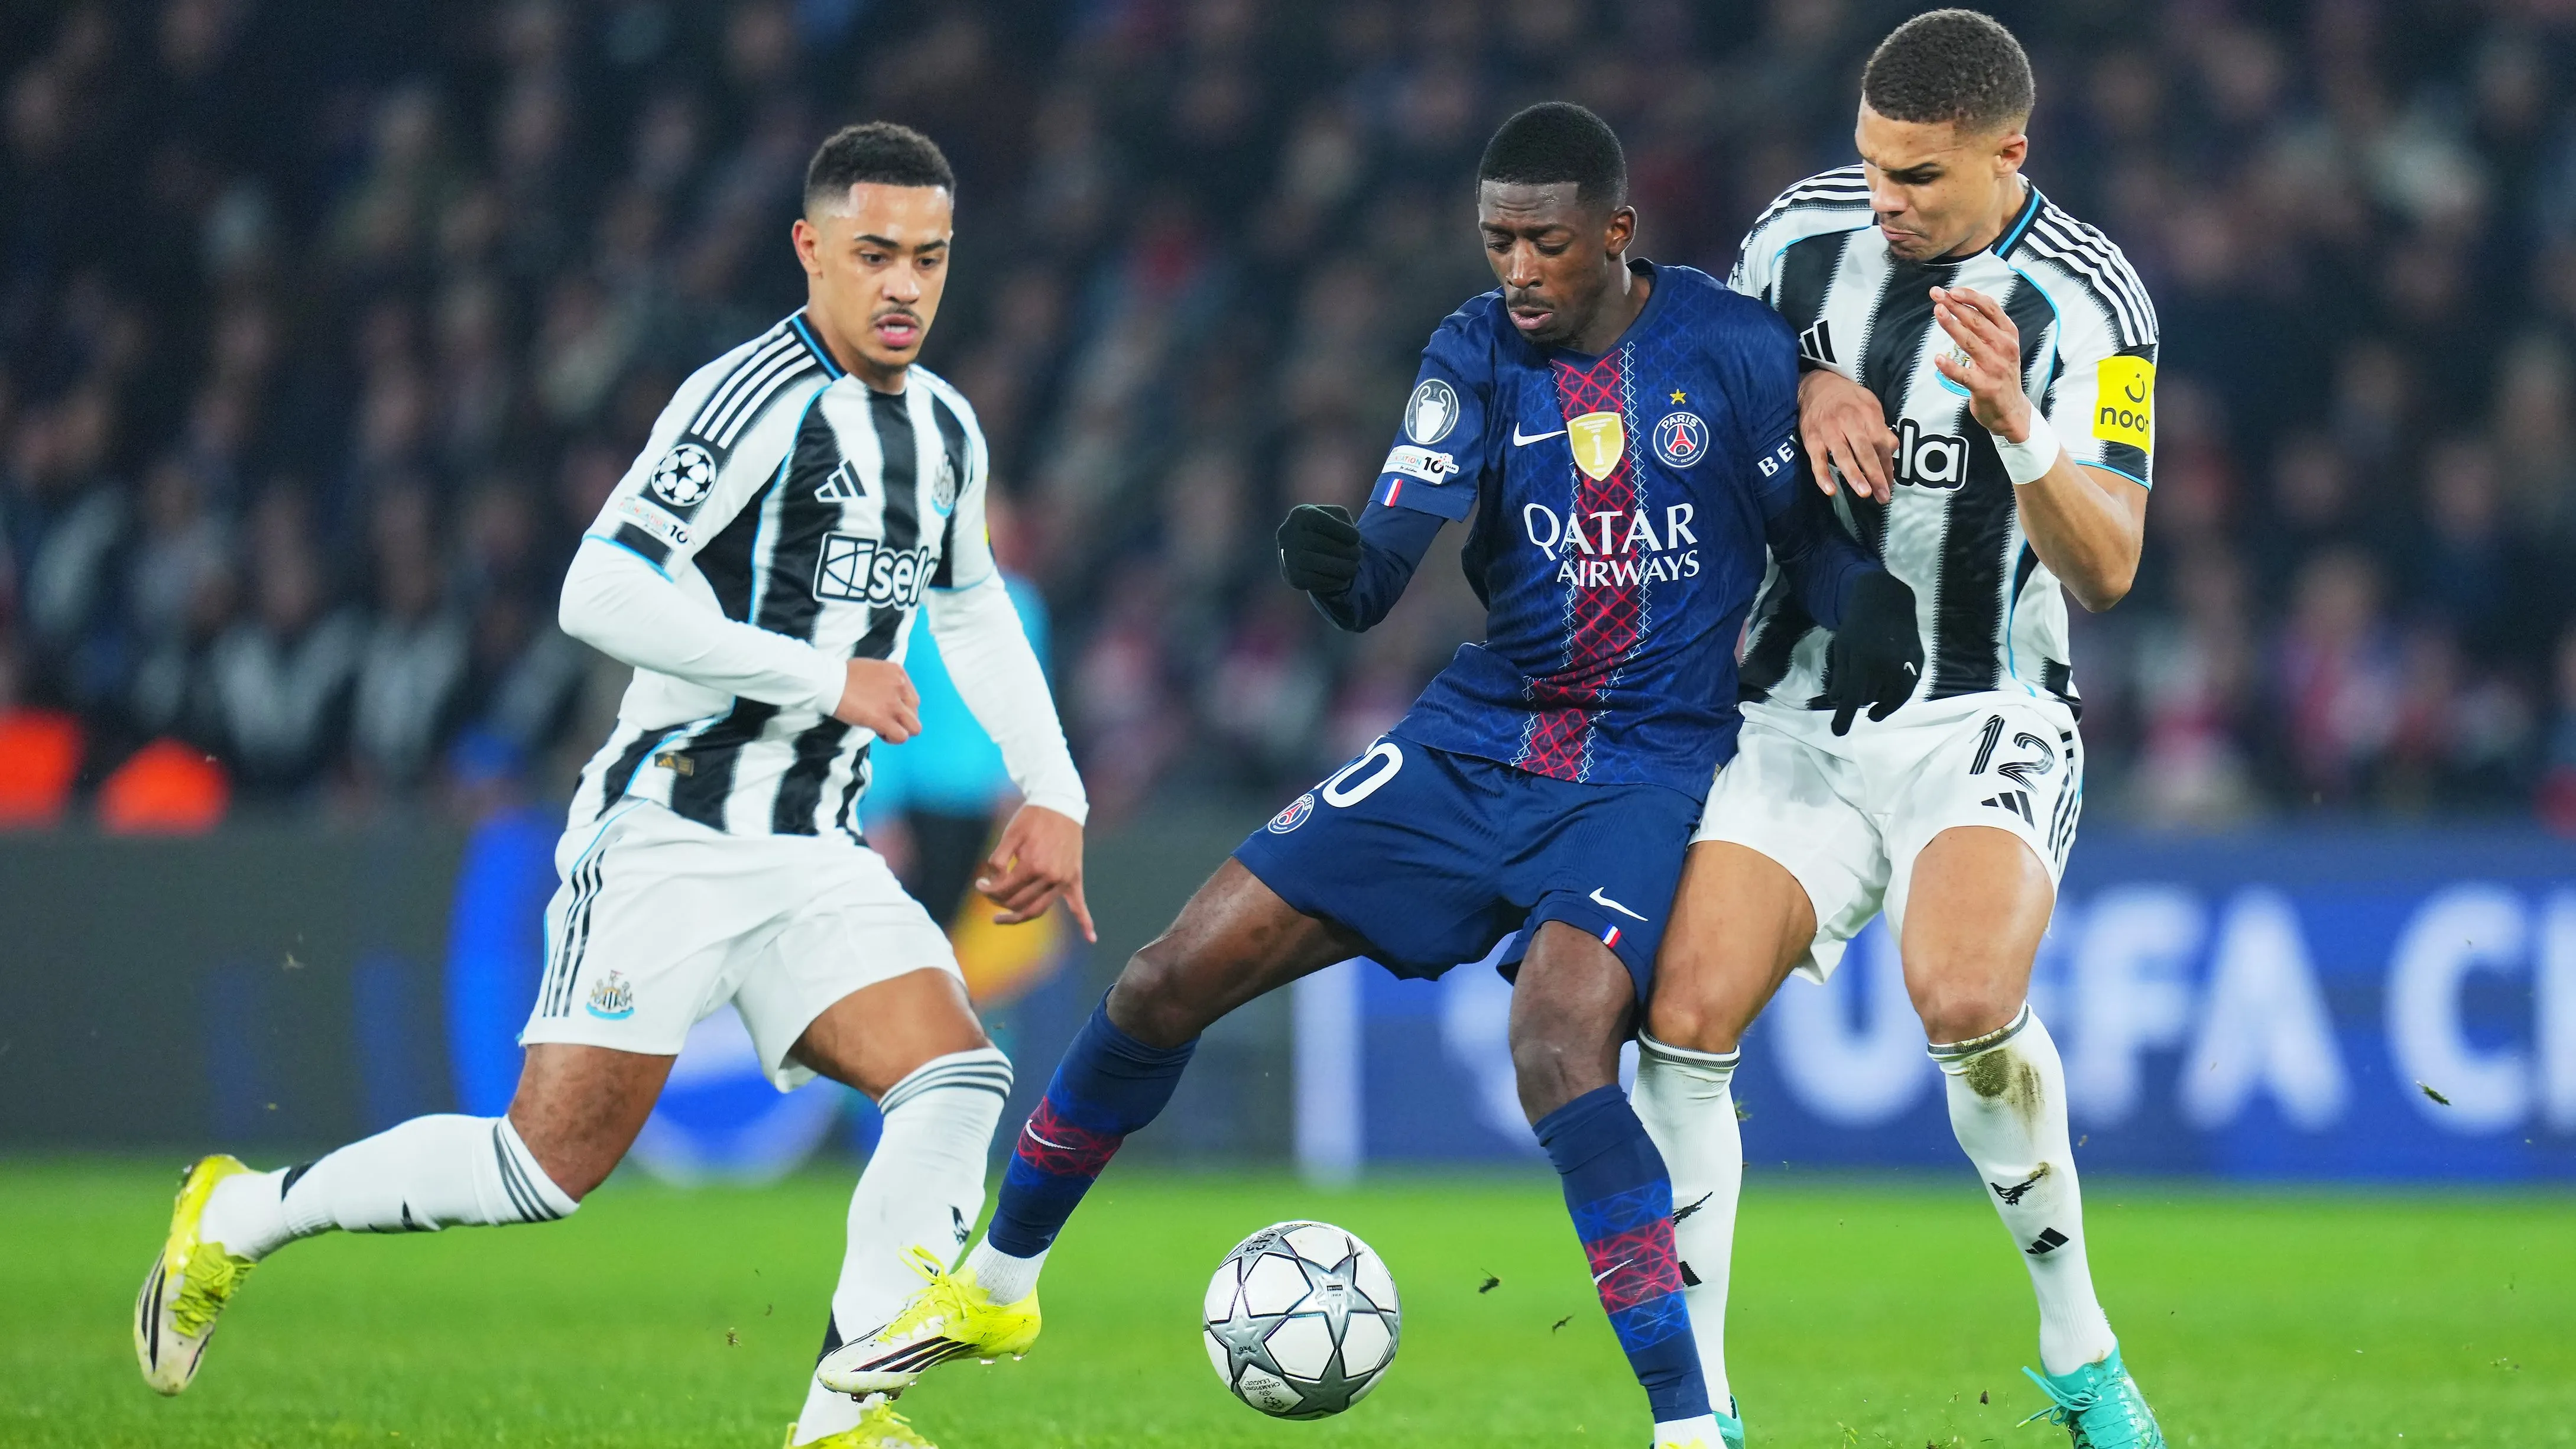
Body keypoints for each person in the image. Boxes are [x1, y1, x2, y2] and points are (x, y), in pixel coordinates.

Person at [815, 103, 1919, 1449]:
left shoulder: (1728, 345)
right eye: (1497, 240)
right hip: (1475, 739)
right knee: (1165, 977)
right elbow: (1393, 544)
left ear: (1616, 233)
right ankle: (1000, 1286)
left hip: (1643, 764)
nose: (1517, 268)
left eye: (1544, 242)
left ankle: (1688, 1428)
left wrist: (1864, 604)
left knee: (1558, 1041)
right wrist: (1345, 567)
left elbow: (1810, 545)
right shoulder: (1474, 348)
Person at [132, 122, 1094, 1449]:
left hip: (816, 847)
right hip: (672, 834)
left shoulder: (943, 428)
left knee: (957, 1081)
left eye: (928, 259)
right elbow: (597, 588)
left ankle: (841, 1423)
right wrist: (820, 678)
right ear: (810, 249)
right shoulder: (747, 399)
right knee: (541, 1167)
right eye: (874, 253)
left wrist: (1054, 790)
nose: (903, 286)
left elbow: (972, 603)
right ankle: (241, 1212)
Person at [1629, 12, 2165, 1448]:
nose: (1884, 199)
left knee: (1964, 997)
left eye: (1918, 176)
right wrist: (1800, 381)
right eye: (1872, 163)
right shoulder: (1797, 236)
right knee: (1680, 1016)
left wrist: (2017, 424)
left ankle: (2080, 1353)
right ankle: (1699, 1417)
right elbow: (1702, 391)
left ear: (2008, 155)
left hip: (1981, 704)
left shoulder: (2094, 302)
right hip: (1794, 707)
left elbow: (2109, 567)